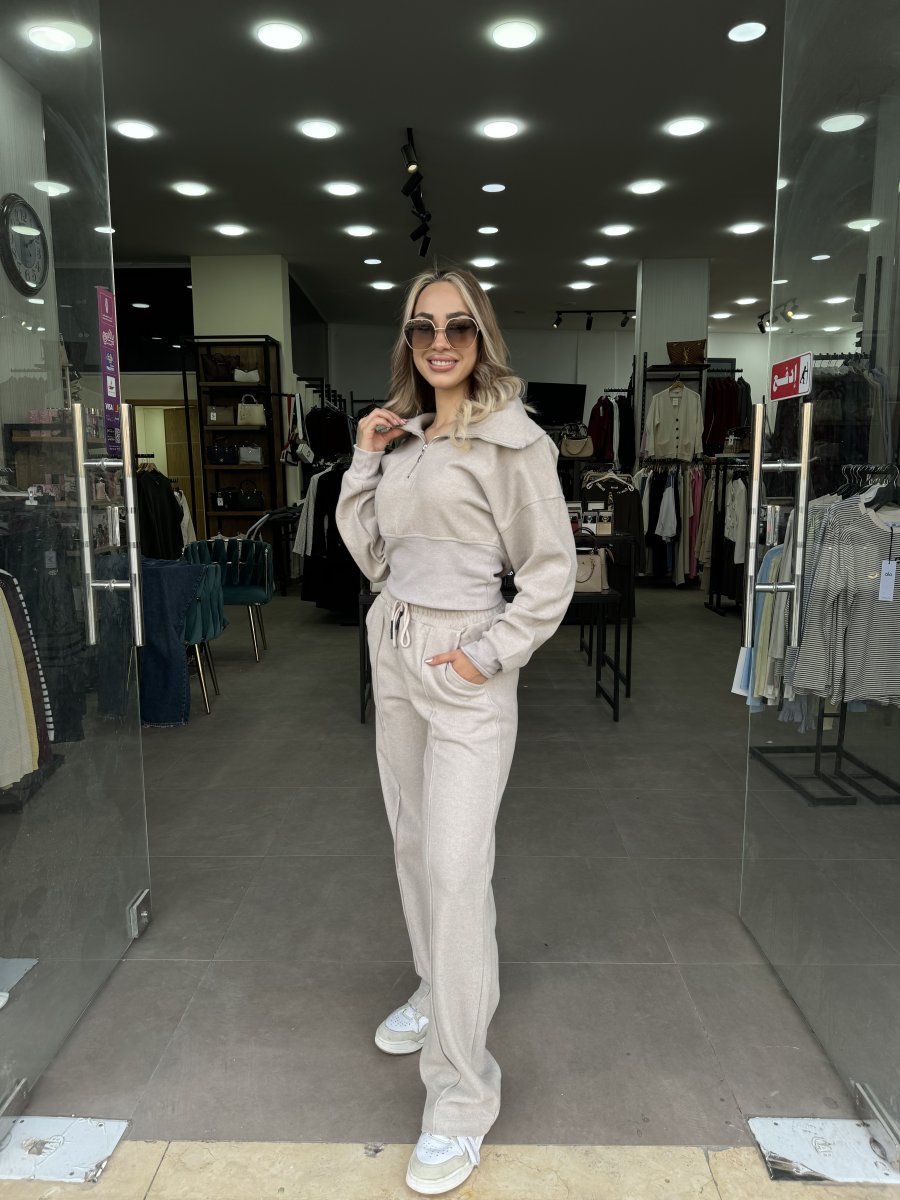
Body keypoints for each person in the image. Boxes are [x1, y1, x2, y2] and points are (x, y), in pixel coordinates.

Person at [336, 268, 576, 1195]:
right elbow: (372, 556)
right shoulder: (404, 439)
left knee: (455, 865)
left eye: (460, 327)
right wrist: (365, 460)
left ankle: (463, 1096)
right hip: (395, 646)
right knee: (410, 842)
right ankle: (439, 986)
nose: (441, 342)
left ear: (483, 338)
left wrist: (489, 653)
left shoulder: (515, 441)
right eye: (424, 327)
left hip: (464, 662)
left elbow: (551, 570)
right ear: (408, 339)